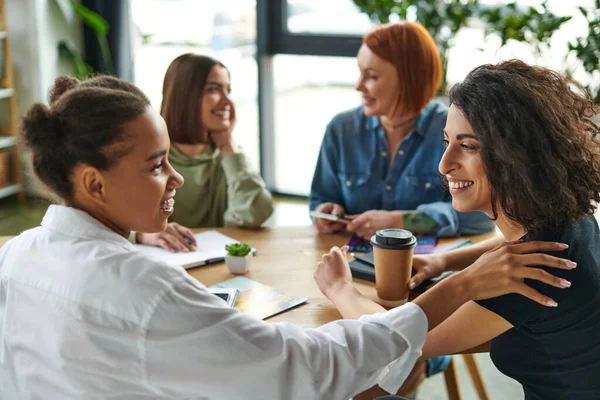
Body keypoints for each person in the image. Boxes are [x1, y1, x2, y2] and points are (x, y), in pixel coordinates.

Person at [0, 75, 572, 399]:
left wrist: (455, 264)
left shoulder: (16, 255)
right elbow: (303, 367)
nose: (173, 176)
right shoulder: (146, 288)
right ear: (94, 183)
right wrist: (459, 280)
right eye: (155, 165)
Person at [315, 60, 600, 399]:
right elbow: (512, 246)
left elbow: (396, 343)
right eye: (447, 140)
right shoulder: (570, 219)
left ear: (516, 156)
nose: (444, 164)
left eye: (468, 146)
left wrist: (340, 288)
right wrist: (444, 262)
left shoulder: (532, 274)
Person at [310, 22, 495, 240]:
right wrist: (325, 212)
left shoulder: (454, 130)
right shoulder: (341, 129)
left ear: (408, 79)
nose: (358, 86)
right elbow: (320, 198)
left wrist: (401, 221)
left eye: (372, 76)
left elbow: (481, 217)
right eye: (360, 73)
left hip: (430, 266)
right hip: (350, 261)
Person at [136, 53, 273, 252]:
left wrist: (227, 145)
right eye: (213, 90)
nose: (227, 101)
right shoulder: (144, 154)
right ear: (184, 96)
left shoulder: (229, 155)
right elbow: (110, 218)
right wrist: (141, 233)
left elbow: (254, 215)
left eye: (228, 90)